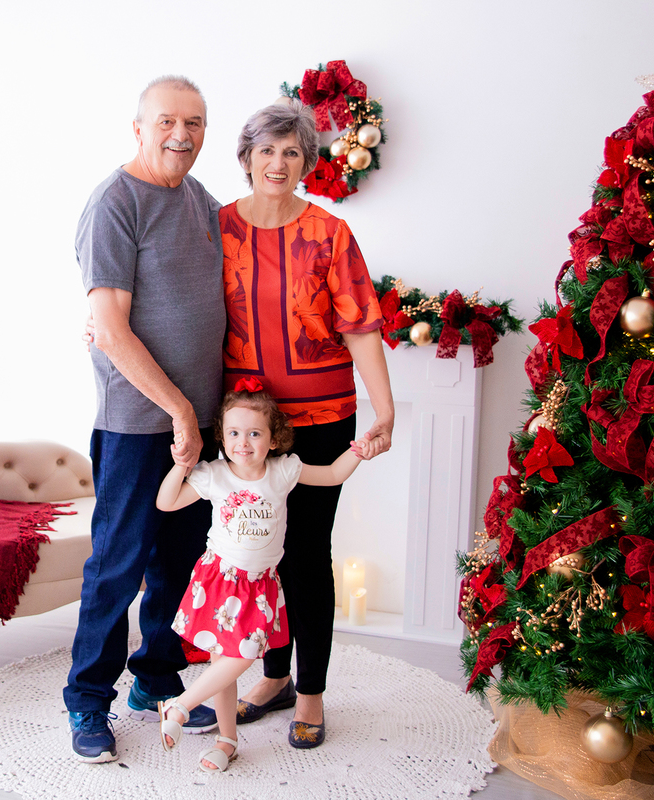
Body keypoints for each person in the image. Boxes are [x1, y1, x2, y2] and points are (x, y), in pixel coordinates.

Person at [222, 100, 394, 749]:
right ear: (246, 159)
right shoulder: (218, 229)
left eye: (291, 152)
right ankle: (271, 677)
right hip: (246, 427)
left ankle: (312, 694)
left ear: (307, 164)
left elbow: (361, 327)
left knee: (305, 556)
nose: (277, 162)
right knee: (257, 551)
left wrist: (385, 407)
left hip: (323, 416)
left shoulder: (330, 233)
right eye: (267, 150)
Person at [64, 75, 225, 764]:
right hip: (138, 424)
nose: (180, 134)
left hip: (205, 424)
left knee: (182, 564)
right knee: (119, 564)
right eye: (166, 121)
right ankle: (87, 698)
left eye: (194, 122)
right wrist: (179, 409)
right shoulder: (114, 204)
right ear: (138, 127)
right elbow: (110, 327)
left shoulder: (203, 204)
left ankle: (155, 677)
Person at [154, 380, 368, 772]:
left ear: (273, 439)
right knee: (225, 663)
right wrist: (181, 465)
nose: (243, 443)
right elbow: (166, 503)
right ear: (223, 436)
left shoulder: (283, 471)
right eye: (234, 433)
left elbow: (334, 474)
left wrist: (358, 451)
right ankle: (227, 740)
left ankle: (181, 705)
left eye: (255, 433)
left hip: (259, 586)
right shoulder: (215, 475)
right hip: (219, 579)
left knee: (242, 654)